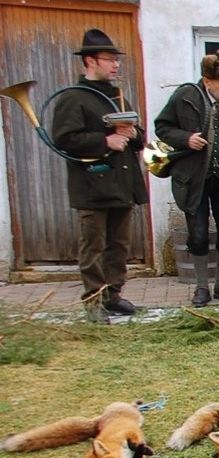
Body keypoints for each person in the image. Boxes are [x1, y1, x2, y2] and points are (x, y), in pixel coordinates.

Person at [49, 28, 148, 321]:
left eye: (117, 59)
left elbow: (138, 135)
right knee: (93, 246)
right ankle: (93, 302)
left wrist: (132, 134)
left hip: (122, 184)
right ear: (90, 61)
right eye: (109, 59)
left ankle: (113, 296)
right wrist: (105, 140)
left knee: (119, 246)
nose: (116, 64)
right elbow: (64, 138)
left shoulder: (118, 96)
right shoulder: (74, 98)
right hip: (92, 185)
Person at [154, 49, 219, 306]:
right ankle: (201, 287)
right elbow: (162, 126)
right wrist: (185, 139)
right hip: (195, 179)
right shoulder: (185, 96)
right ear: (207, 81)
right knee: (199, 236)